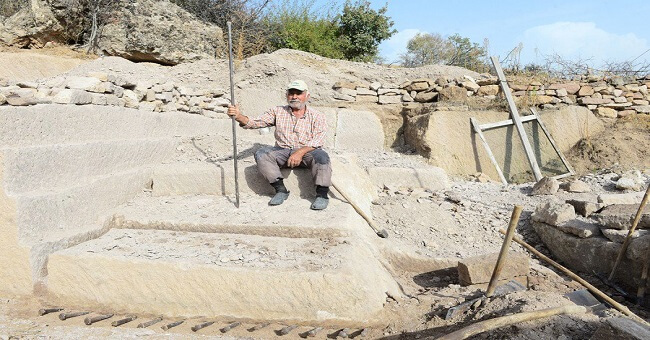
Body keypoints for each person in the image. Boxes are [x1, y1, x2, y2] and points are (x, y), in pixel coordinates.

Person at [227, 80, 331, 210]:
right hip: (283, 151)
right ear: (286, 95)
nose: (294, 97)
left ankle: (322, 195)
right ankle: (280, 190)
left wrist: (299, 152)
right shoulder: (277, 111)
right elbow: (255, 123)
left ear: (307, 96)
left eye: (298, 93)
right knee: (262, 154)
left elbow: (318, 140)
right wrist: (238, 116)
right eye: (291, 93)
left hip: (308, 152)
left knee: (322, 156)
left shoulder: (317, 116)